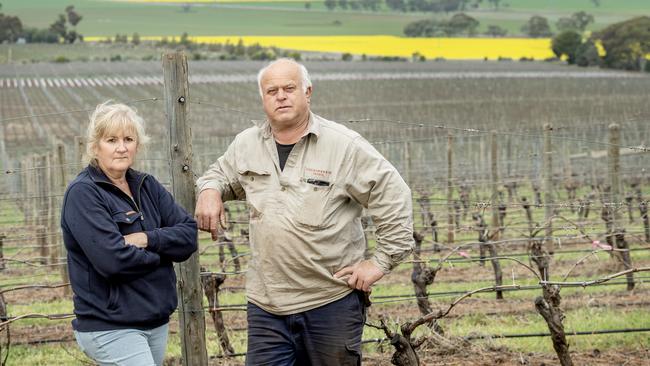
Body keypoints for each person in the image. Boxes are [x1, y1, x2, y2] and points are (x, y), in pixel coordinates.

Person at [195, 58, 414, 365]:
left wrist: (381, 261)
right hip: (266, 305)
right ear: (263, 98)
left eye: (289, 88)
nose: (281, 96)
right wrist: (208, 190)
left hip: (330, 301)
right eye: (272, 91)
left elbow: (393, 192)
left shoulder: (342, 146)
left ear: (308, 92)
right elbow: (218, 174)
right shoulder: (246, 144)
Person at [61, 102, 198, 366]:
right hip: (110, 325)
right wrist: (164, 256)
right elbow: (112, 261)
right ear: (95, 146)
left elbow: (188, 235)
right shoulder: (83, 194)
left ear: (138, 144)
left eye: (128, 139)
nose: (121, 147)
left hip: (154, 321)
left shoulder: (147, 186)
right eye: (111, 140)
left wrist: (147, 239)